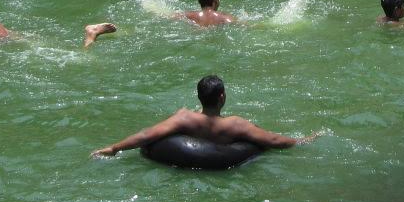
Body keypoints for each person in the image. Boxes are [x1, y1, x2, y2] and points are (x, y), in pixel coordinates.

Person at [91, 75, 317, 157]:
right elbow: (274, 141)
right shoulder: (235, 125)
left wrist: (114, 148)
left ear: (199, 97)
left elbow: (147, 134)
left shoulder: (184, 118)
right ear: (222, 98)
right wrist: (304, 141)